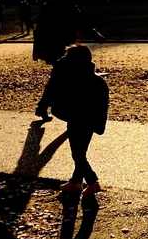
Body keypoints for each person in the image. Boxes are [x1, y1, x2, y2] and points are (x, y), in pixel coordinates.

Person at [39, 45, 109, 197]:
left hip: (77, 121)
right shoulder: (98, 81)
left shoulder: (74, 81)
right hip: (91, 123)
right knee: (80, 152)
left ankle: (92, 181)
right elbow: (103, 106)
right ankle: (75, 182)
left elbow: (61, 101)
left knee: (77, 154)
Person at [33, 0, 102, 119]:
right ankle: (54, 107)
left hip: (54, 47)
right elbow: (81, 22)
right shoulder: (67, 5)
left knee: (59, 77)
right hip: (60, 47)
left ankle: (44, 106)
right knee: (62, 77)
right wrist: (96, 35)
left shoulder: (50, 4)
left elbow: (39, 30)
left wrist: (37, 50)